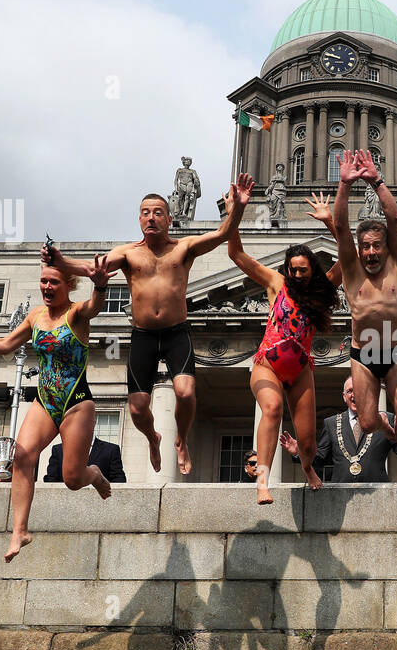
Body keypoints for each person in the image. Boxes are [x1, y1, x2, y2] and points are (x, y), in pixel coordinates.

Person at [43, 175, 252, 476]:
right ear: (139, 219)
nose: (151, 217)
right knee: (139, 409)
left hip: (176, 333)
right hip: (142, 336)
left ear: (169, 218)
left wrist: (239, 208)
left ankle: (181, 439)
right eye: (145, 212)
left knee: (186, 391)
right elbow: (91, 269)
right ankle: (153, 438)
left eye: (157, 212)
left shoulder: (184, 248)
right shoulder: (127, 253)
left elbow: (222, 233)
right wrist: (59, 260)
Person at [0, 257, 115, 562]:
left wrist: (100, 284)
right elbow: (6, 345)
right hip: (45, 399)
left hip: (76, 401)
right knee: (21, 455)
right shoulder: (35, 316)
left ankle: (94, 474)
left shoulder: (77, 313)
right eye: (43, 281)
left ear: (68, 285)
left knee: (72, 479)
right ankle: (20, 530)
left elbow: (96, 306)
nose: (46, 287)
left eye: (53, 282)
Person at [227, 191, 342, 504]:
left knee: (308, 443)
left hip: (301, 369)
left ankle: (307, 467)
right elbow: (237, 255)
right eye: (293, 269)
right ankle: (263, 481)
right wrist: (235, 215)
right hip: (268, 364)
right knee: (273, 409)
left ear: (313, 270)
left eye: (303, 269)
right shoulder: (276, 283)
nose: (297, 274)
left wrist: (330, 222)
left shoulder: (322, 291)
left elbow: (349, 257)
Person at [329, 149, 397, 445]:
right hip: (364, 355)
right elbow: (340, 227)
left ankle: (395, 435)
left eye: (377, 245)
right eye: (365, 246)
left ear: (386, 247)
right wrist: (345, 184)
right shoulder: (352, 271)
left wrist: (377, 181)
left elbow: (394, 217)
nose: (371, 252)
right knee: (366, 423)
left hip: (395, 353)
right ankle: (382, 425)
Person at [280, 376, 397, 483]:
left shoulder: (385, 419)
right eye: (349, 391)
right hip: (340, 496)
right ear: (344, 397)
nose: (353, 394)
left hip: (376, 492)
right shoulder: (331, 423)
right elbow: (319, 459)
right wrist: (298, 452)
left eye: (358, 390)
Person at [43, 436, 127, 484]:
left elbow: (119, 480)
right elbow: (51, 479)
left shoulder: (111, 449)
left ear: (93, 423)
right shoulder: (58, 449)